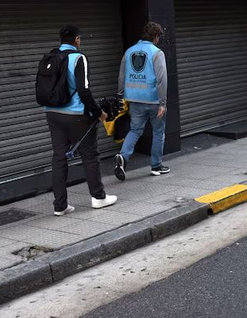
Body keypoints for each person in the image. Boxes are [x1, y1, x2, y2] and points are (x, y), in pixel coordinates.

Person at [44, 26, 117, 216]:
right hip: (76, 115)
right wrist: (99, 113)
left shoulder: (51, 57)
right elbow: (83, 91)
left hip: (52, 113)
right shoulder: (78, 58)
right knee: (90, 155)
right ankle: (98, 197)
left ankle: (60, 206)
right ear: (77, 39)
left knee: (59, 157)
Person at [114, 22, 170, 180]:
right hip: (153, 100)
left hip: (134, 99)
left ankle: (123, 156)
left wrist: (120, 95)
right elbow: (161, 79)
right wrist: (163, 103)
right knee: (158, 132)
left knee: (135, 130)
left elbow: (121, 76)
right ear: (156, 37)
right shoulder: (157, 53)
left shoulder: (129, 51)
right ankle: (156, 165)